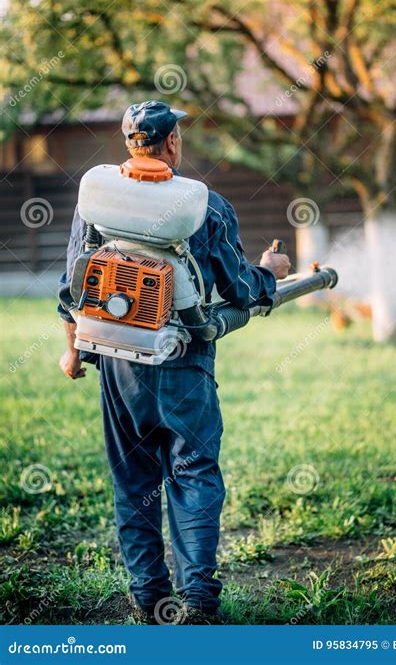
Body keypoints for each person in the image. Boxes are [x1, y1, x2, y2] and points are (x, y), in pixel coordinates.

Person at [58, 100, 290, 625]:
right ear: (172, 144)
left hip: (116, 364)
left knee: (134, 482)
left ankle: (149, 598)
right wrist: (270, 270)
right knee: (193, 473)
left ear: (128, 144)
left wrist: (72, 349)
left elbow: (71, 286)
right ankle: (200, 604)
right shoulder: (204, 205)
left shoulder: (94, 200)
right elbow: (240, 287)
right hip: (183, 362)